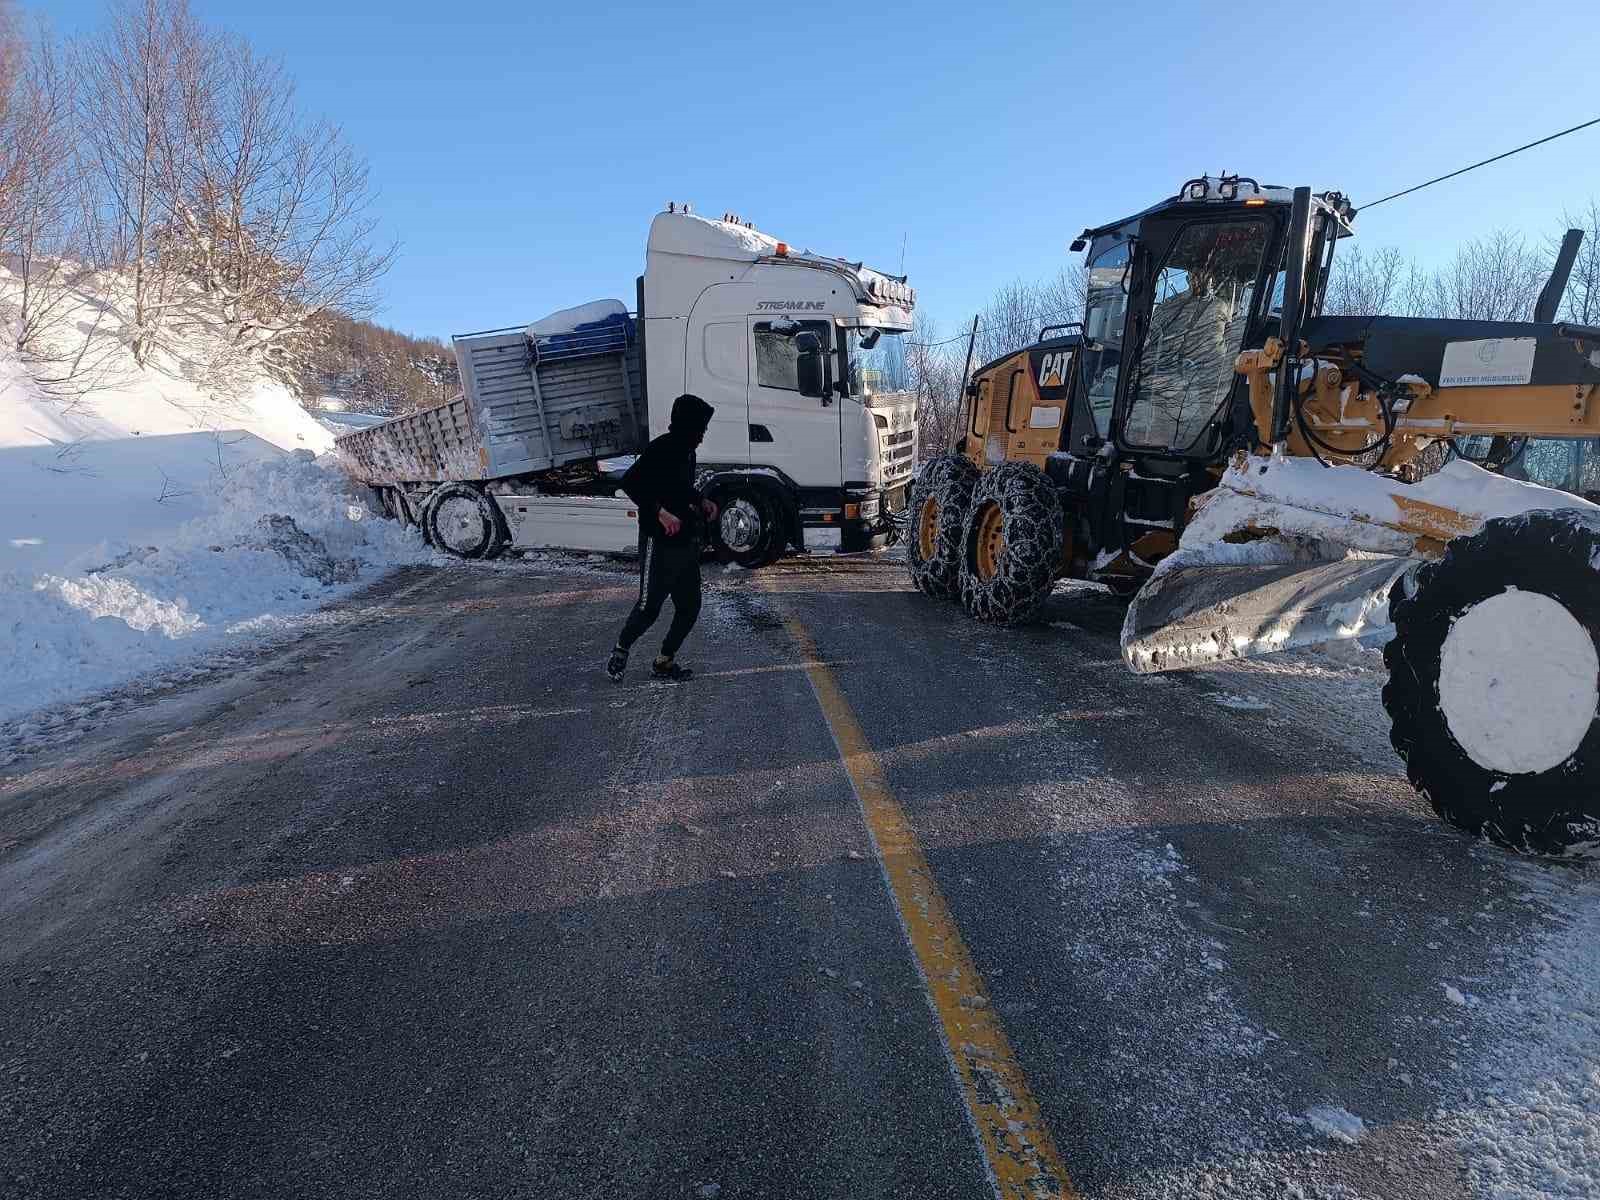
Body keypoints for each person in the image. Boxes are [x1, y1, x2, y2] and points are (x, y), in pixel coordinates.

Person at [606, 394, 718, 682]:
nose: (702, 437)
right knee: (649, 608)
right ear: (686, 426)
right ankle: (621, 650)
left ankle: (664, 661)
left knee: (690, 607)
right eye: (700, 430)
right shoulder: (662, 448)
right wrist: (661, 513)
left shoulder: (688, 452)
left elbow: (680, 487)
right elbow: (631, 484)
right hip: (659, 542)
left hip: (685, 544)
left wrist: (700, 500)